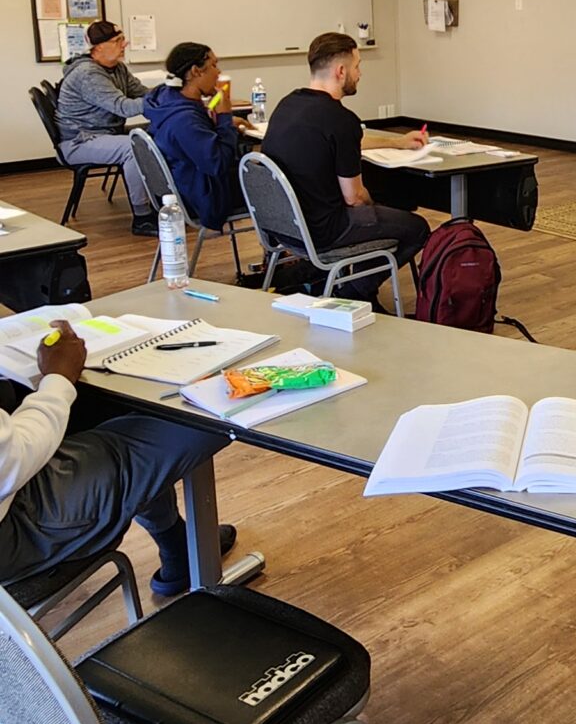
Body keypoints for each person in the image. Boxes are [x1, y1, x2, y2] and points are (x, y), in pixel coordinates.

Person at [0, 323, 243, 601]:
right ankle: (187, 555)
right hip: (13, 519)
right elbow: (13, 456)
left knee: (104, 418)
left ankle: (178, 546)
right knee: (171, 425)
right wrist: (58, 379)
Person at [261, 32, 430, 298]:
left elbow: (346, 142)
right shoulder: (340, 119)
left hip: (285, 226)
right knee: (416, 228)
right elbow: (354, 198)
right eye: (357, 65)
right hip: (324, 232)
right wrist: (374, 209)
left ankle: (335, 283)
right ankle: (353, 293)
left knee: (384, 207)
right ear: (341, 71)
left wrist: (398, 143)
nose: (360, 73)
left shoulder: (288, 105)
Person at [55, 19, 155, 232]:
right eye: (118, 40)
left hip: (104, 134)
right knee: (133, 147)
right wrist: (167, 101)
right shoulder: (88, 74)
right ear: (99, 47)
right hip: (79, 141)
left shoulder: (117, 68)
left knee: (157, 135)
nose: (124, 44)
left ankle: (162, 200)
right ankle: (142, 217)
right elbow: (124, 108)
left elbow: (142, 93)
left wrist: (168, 94)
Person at [143, 42, 248, 232]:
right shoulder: (185, 120)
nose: (218, 72)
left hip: (184, 182)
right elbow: (218, 164)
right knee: (277, 185)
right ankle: (280, 254)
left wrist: (218, 124)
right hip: (203, 196)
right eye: (214, 65)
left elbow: (195, 139)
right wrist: (224, 118)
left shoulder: (166, 99)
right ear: (195, 71)